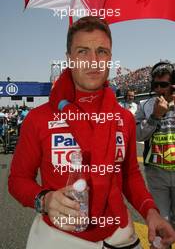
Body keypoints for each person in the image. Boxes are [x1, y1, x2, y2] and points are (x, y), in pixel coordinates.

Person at [8, 17, 175, 249]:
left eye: (102, 51)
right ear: (69, 59)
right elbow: (17, 180)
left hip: (120, 235)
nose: (94, 61)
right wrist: (44, 199)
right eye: (83, 51)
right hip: (57, 237)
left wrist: (151, 211)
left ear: (110, 57)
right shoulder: (39, 118)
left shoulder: (124, 118)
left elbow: (129, 176)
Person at [136, 61, 175, 237]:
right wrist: (155, 116)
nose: (159, 89)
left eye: (164, 85)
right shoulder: (145, 104)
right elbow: (137, 135)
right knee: (162, 227)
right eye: (155, 85)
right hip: (156, 174)